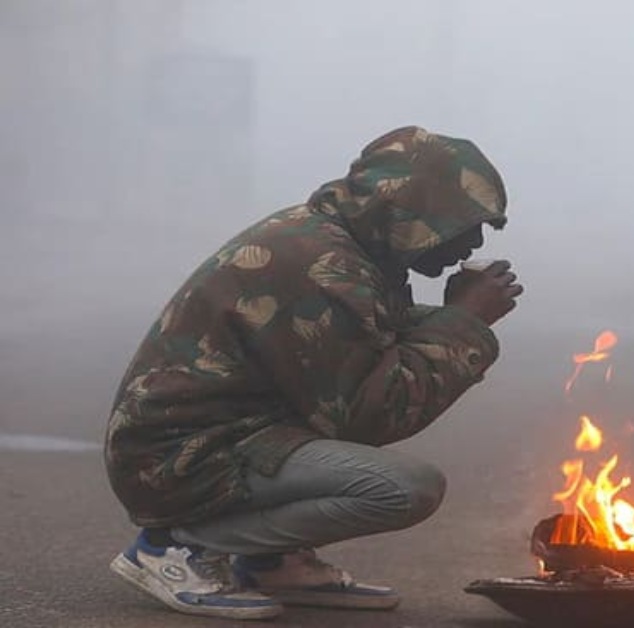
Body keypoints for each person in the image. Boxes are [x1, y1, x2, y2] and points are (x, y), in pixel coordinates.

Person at [104, 126, 522, 620]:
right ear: (411, 214)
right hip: (179, 460)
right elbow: (372, 414)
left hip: (224, 436)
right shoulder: (324, 264)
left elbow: (373, 343)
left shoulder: (342, 245)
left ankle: (271, 562)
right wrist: (465, 322)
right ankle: (176, 547)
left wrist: (458, 320)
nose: (472, 241)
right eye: (463, 224)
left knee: (378, 461)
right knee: (407, 488)